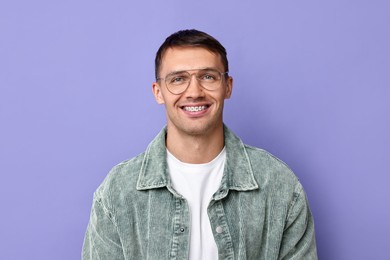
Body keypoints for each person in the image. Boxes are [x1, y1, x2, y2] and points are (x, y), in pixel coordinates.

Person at [82, 29, 317, 259]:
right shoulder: (118, 192)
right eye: (178, 79)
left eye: (208, 77)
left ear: (228, 86)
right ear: (158, 92)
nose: (194, 92)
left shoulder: (278, 185)